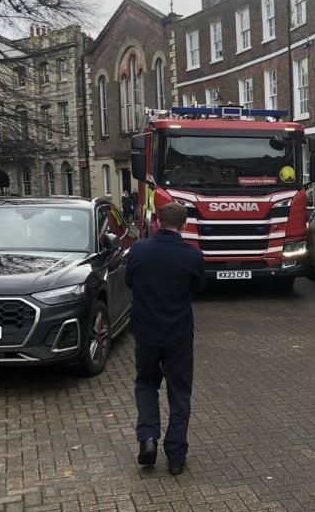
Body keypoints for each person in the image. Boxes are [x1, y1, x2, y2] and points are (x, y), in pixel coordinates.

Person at [125, 201, 206, 474]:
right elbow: (197, 288)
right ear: (184, 226)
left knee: (146, 384)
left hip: (146, 333)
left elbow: (129, 282)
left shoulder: (138, 250)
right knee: (179, 393)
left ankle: (148, 440)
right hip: (178, 335)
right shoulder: (192, 256)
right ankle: (176, 456)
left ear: (157, 222)